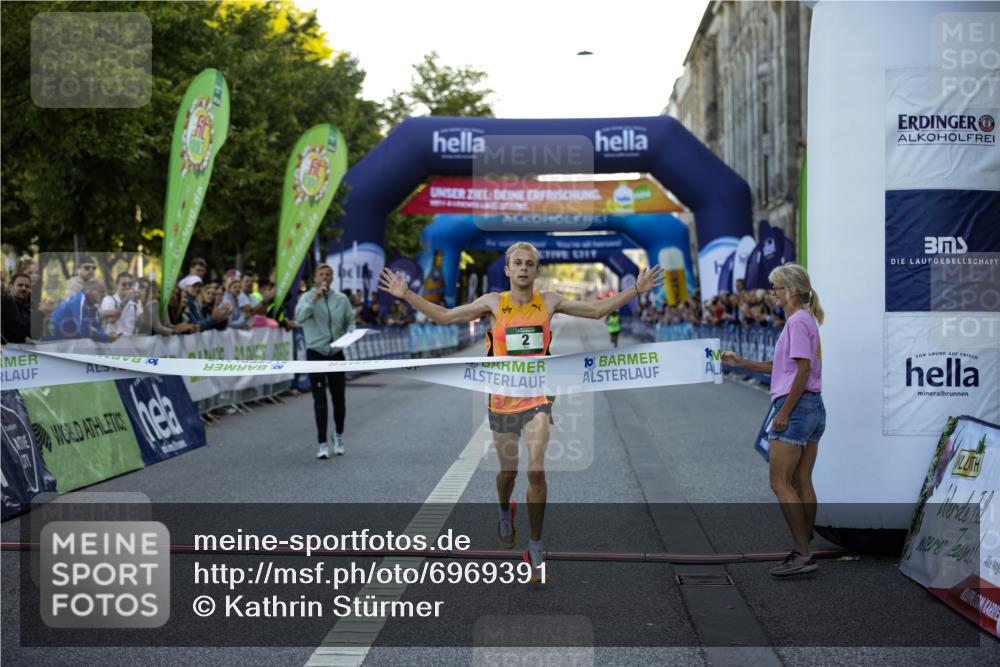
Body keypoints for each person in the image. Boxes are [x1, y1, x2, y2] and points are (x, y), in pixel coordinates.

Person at [380, 242, 664, 582]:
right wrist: (408, 294)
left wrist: (635, 289)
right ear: (508, 270)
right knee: (507, 474)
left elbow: (595, 311)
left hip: (538, 397)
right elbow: (444, 316)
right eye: (518, 263)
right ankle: (504, 509)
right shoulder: (492, 303)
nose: (524, 268)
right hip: (502, 400)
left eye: (530, 263)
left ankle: (535, 546)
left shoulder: (550, 301)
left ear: (537, 270)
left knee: (535, 471)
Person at [722, 263, 824, 577]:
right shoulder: (805, 320)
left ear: (791, 291)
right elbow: (786, 369)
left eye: (778, 288)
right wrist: (744, 363)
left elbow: (803, 372)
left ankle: (802, 553)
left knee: (779, 482)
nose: (773, 294)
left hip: (795, 407)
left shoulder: (796, 322)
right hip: (813, 407)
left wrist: (783, 412)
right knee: (801, 480)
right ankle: (804, 545)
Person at [295, 264, 355, 460]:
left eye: (328, 274)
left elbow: (350, 321)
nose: (325, 277)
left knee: (339, 400)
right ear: (315, 278)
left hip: (336, 353)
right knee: (320, 401)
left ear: (332, 278)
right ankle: (322, 443)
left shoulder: (341, 299)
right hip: (316, 353)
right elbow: (300, 317)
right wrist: (315, 298)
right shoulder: (307, 298)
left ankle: (338, 436)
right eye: (321, 274)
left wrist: (351, 332)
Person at [50, 279, 119, 342]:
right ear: (89, 290)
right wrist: (105, 337)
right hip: (51, 342)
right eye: (102, 292)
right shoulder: (80, 300)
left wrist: (106, 336)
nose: (104, 295)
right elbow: (84, 330)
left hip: (64, 341)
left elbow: (97, 326)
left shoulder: (92, 305)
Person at [100, 272, 143, 337]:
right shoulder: (108, 300)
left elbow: (143, 324)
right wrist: (126, 300)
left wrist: (144, 300)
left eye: (130, 284)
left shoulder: (135, 306)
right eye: (124, 284)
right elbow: (111, 320)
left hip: (129, 344)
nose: (127, 287)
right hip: (112, 344)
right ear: (116, 285)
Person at [1, 273, 33, 344]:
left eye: (27, 286)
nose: (24, 288)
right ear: (11, 286)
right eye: (20, 285)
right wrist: (41, 313)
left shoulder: (31, 305)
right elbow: (19, 330)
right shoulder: (5, 303)